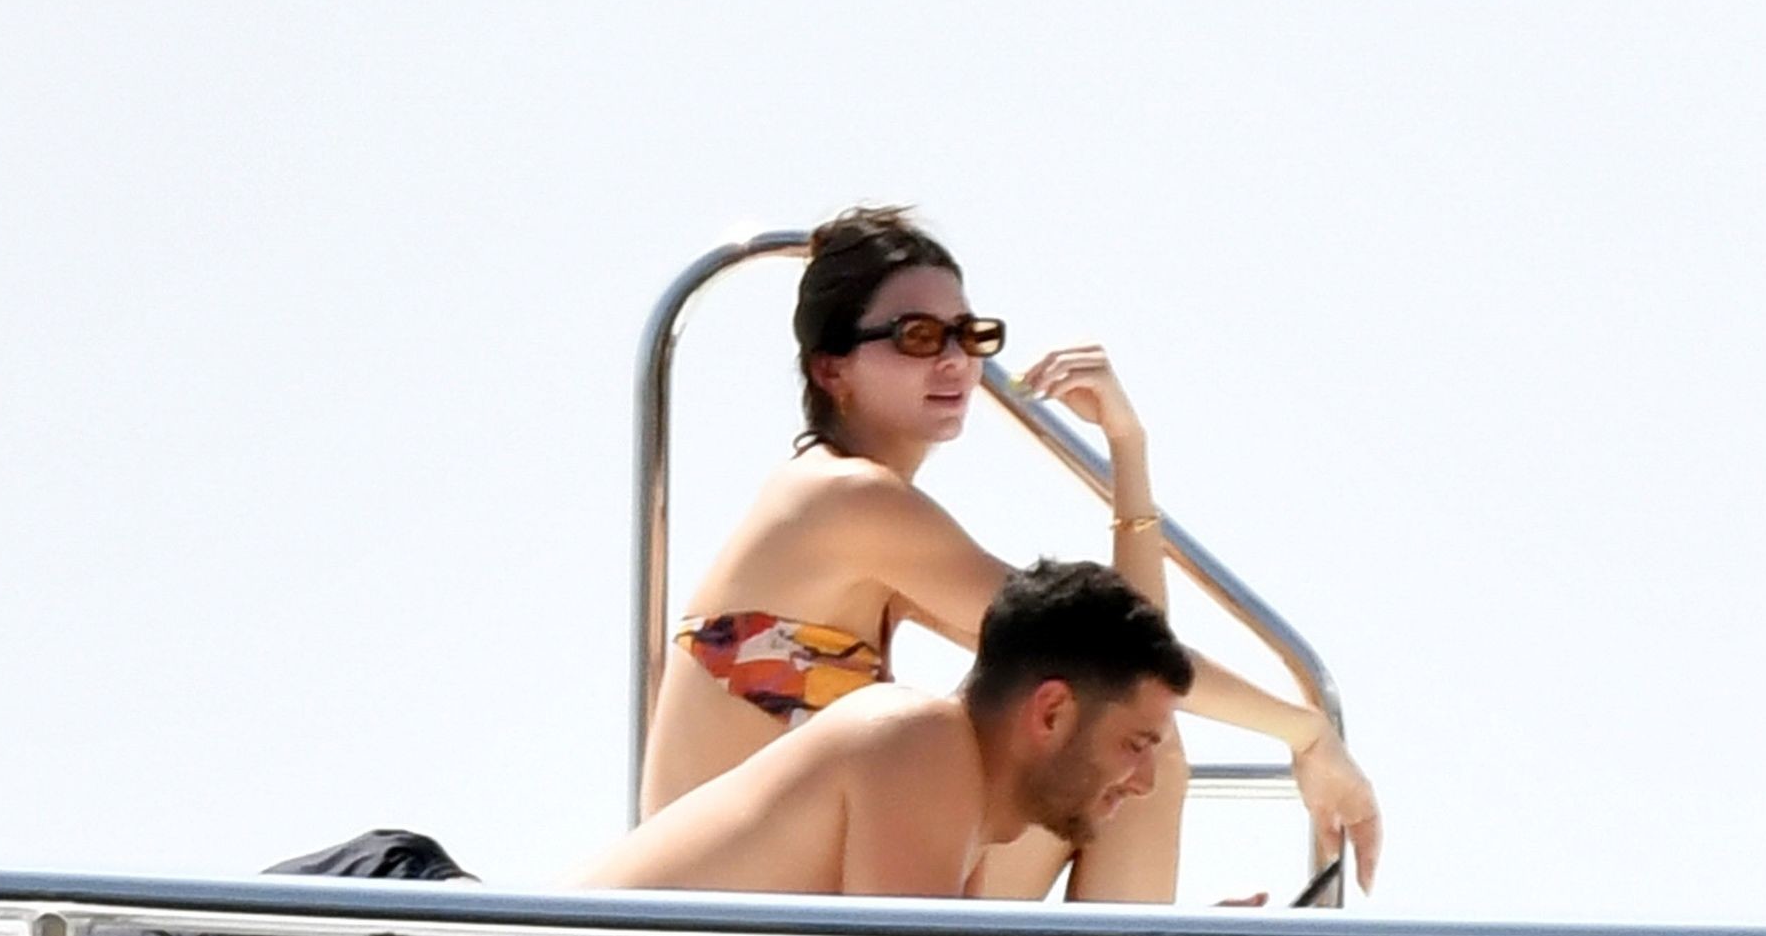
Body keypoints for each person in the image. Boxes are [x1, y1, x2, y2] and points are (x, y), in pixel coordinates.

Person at [640, 205, 1380, 900]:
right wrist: (1306, 731)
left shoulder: (868, 528)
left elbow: (1126, 670)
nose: (954, 362)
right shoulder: (845, 501)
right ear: (831, 369)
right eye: (918, 338)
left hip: (797, 907)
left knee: (1119, 746)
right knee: (1117, 740)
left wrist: (1128, 450)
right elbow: (1123, 658)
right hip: (723, 919)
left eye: (969, 336)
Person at [585, 560, 1191, 899]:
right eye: (1134, 746)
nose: (1143, 782)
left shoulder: (968, 804)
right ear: (1052, 712)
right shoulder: (919, 739)